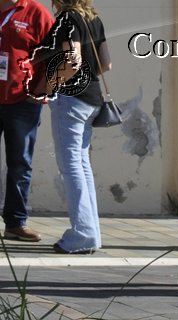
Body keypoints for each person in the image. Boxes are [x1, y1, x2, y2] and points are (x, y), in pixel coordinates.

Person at [44, 0, 105, 255]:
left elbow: (73, 60)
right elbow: (107, 64)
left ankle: (81, 235)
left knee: (71, 168)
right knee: (81, 165)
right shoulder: (94, 18)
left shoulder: (67, 20)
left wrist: (50, 86)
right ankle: (90, 233)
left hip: (71, 100)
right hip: (92, 99)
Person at [0, 0, 53, 242]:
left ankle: (15, 222)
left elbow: (57, 57)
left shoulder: (37, 13)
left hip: (22, 102)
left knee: (20, 163)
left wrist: (41, 92)